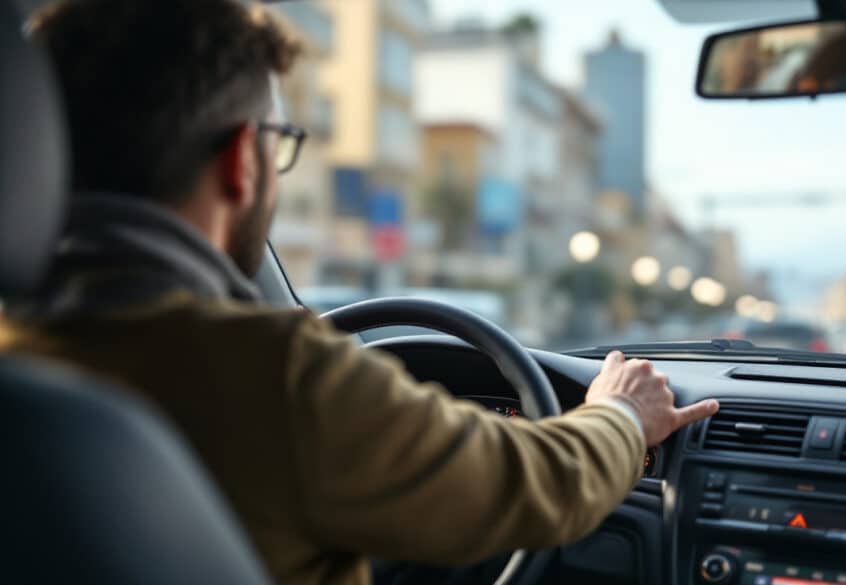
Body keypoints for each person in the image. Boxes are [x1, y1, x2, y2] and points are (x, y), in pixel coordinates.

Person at [1, 1, 719, 585]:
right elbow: (537, 482)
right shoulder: (279, 375)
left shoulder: (20, 354)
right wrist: (623, 415)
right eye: (278, 142)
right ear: (240, 162)